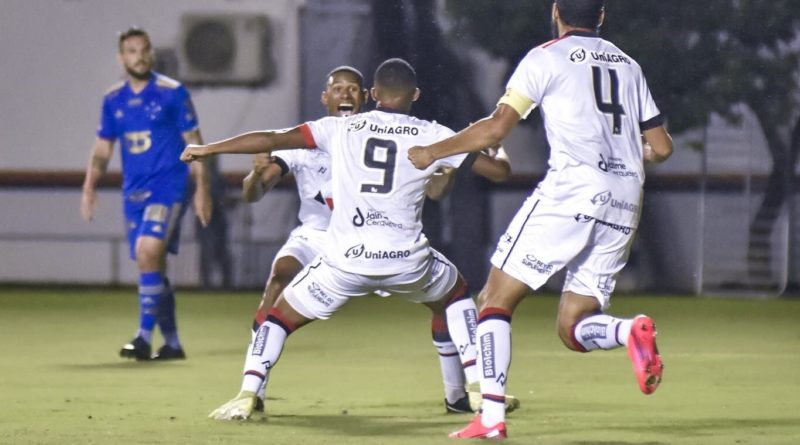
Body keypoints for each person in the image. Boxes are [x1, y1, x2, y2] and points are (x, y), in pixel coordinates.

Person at [181, 58, 513, 421]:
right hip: (406, 259)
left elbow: (273, 139)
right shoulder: (432, 134)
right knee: (456, 294)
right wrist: (497, 149)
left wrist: (210, 149)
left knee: (278, 318)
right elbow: (497, 171)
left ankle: (247, 392)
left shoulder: (341, 130)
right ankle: (476, 387)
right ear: (415, 94)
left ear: (371, 94)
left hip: (346, 258)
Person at [408, 0, 674, 439]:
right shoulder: (629, 65)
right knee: (573, 326)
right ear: (601, 16)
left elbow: (496, 129)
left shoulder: (545, 57)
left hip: (572, 189)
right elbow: (661, 148)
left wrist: (434, 151)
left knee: (493, 300)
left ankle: (491, 419)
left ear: (556, 12)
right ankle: (630, 331)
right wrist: (626, 153)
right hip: (626, 196)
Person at [80, 27, 211, 361]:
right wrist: (89, 185)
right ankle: (172, 343)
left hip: (169, 187)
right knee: (150, 262)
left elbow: (195, 142)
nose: (139, 56)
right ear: (121, 58)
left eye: (144, 50)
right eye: (132, 51)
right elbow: (103, 148)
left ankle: (141, 337)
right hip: (133, 193)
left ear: (151, 53)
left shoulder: (172, 92)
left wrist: (202, 190)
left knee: (148, 249)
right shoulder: (113, 99)